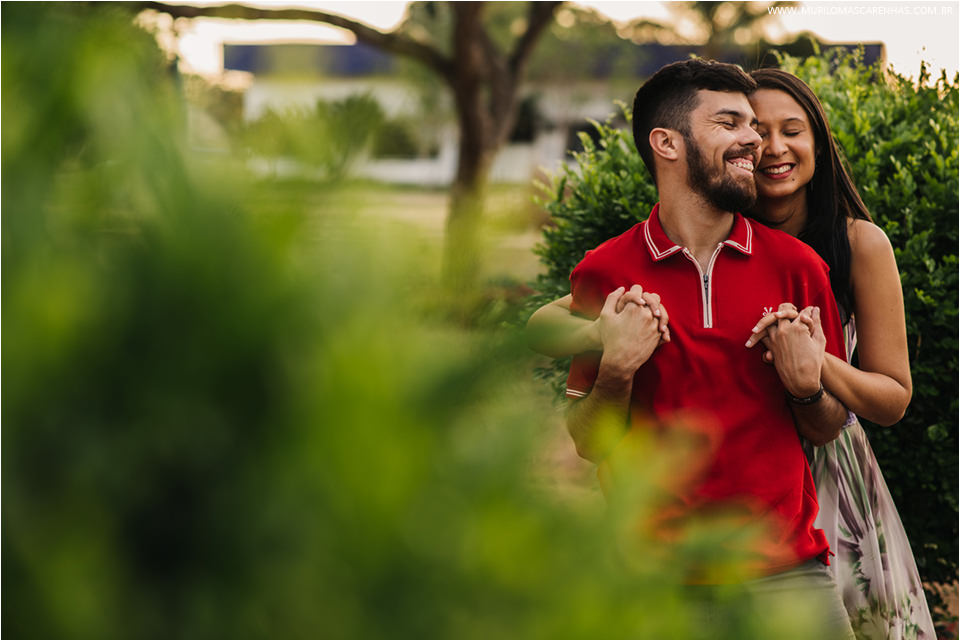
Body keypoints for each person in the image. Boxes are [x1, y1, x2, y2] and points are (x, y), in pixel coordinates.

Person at [528, 67, 935, 639]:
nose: (760, 143)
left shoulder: (809, 262)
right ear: (667, 143)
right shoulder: (611, 270)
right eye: (737, 124)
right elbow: (577, 402)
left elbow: (845, 417)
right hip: (651, 575)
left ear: (818, 144)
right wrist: (613, 356)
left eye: (781, 129)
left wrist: (809, 375)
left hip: (794, 554)